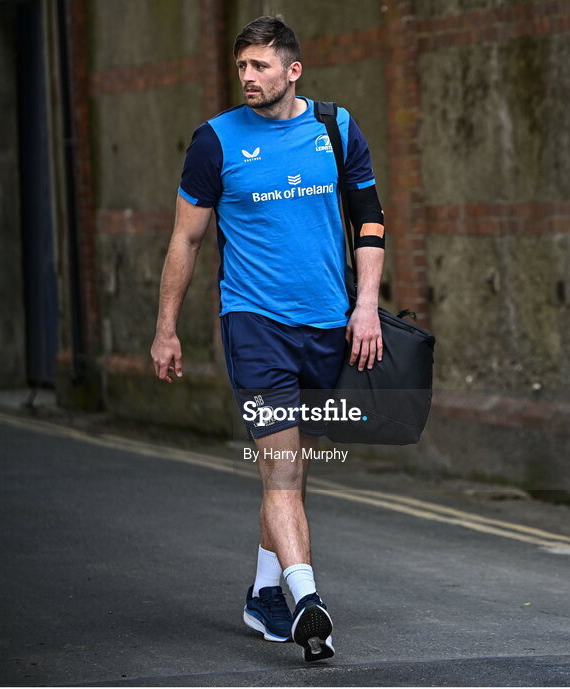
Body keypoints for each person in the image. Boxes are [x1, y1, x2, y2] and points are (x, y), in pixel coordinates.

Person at [149, 15, 385, 663]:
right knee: (281, 467)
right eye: (242, 66)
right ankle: (306, 597)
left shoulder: (336, 129)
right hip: (254, 325)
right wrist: (165, 327)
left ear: (293, 70)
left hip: (328, 326)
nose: (247, 77)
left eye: (259, 66)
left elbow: (369, 221)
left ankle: (263, 592)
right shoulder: (215, 142)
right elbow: (186, 240)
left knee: (295, 469)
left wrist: (366, 308)